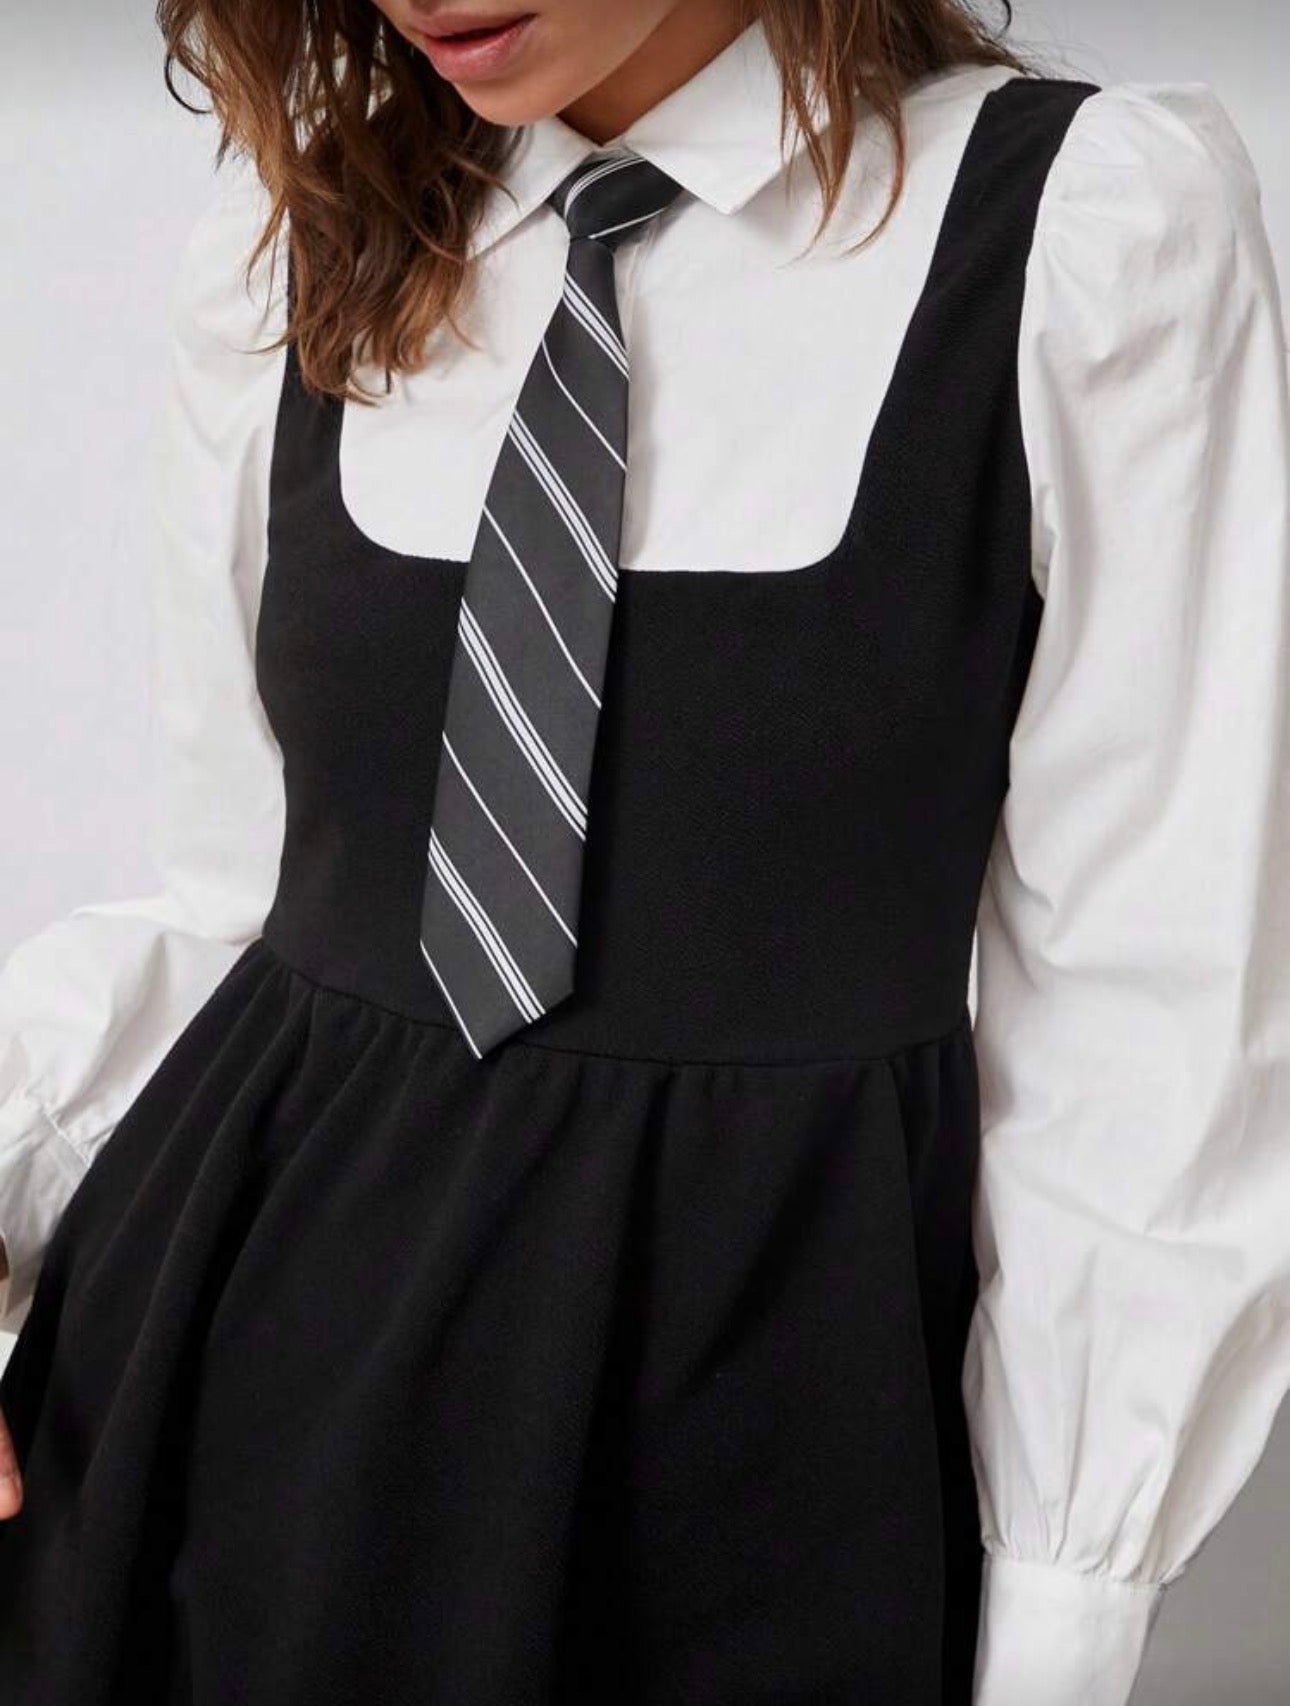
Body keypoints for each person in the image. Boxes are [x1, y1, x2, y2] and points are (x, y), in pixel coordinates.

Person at [1, 1, 1287, 1701]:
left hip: (758, 1453)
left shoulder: (1083, 238)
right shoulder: (299, 236)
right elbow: (239, 914)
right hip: (232, 1434)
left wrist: (1062, 1617)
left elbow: (1150, 1020)